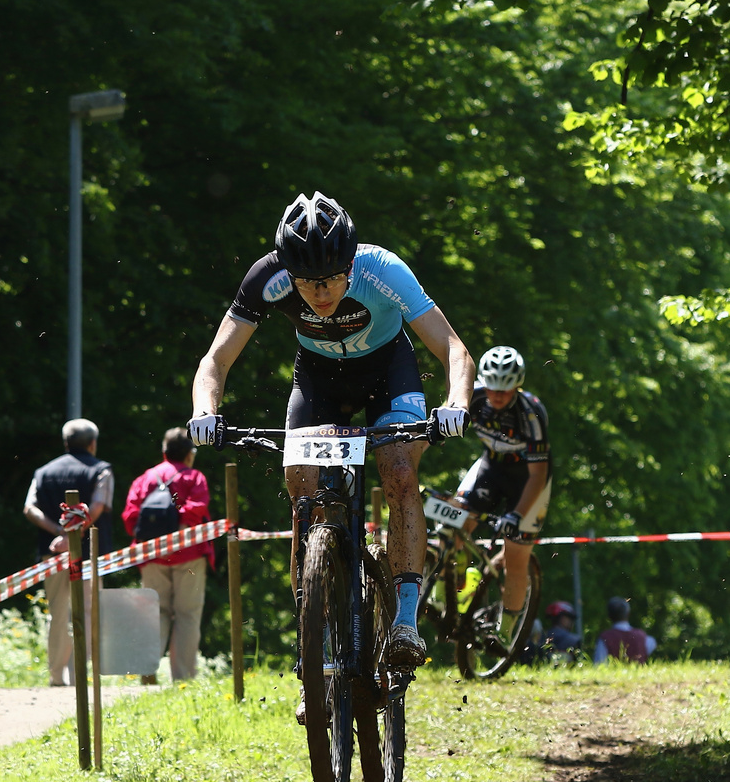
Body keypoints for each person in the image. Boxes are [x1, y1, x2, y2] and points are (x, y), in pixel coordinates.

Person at [188, 192, 473, 668]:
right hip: (319, 380)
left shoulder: (382, 270)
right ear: (289, 272)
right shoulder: (268, 277)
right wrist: (204, 410)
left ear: (349, 264)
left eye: (331, 280)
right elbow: (215, 360)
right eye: (307, 283)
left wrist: (456, 402)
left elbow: (453, 348)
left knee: (400, 471)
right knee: (301, 486)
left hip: (388, 372)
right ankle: (313, 637)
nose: (320, 294)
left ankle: (405, 621)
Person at [453, 346, 551, 644]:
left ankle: (506, 632)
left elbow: (538, 475)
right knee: (454, 523)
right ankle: (458, 587)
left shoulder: (530, 412)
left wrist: (516, 514)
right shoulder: (476, 397)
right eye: (493, 387)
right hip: (491, 467)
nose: (497, 396)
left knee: (515, 556)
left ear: (516, 386)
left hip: (528, 480)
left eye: (505, 391)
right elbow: (445, 424)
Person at [23, 419, 114, 686]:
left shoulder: (43, 472)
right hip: (87, 554)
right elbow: (97, 507)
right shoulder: (101, 470)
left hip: (52, 555)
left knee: (57, 612)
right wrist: (72, 534)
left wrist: (58, 533)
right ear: (93, 443)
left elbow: (29, 508)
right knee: (87, 610)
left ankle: (56, 675)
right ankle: (79, 675)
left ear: (65, 443)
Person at [121, 427, 215, 683]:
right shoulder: (194, 478)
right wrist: (178, 537)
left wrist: (153, 542)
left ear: (164, 452)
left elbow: (131, 517)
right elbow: (196, 510)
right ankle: (183, 679)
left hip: (151, 555)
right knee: (187, 614)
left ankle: (147, 673)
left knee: (155, 612)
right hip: (189, 554)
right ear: (189, 454)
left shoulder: (146, 479)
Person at [594, 596, 657, 664]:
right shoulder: (642, 637)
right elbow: (652, 643)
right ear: (628, 614)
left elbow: (599, 664)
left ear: (609, 616)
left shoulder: (605, 638)